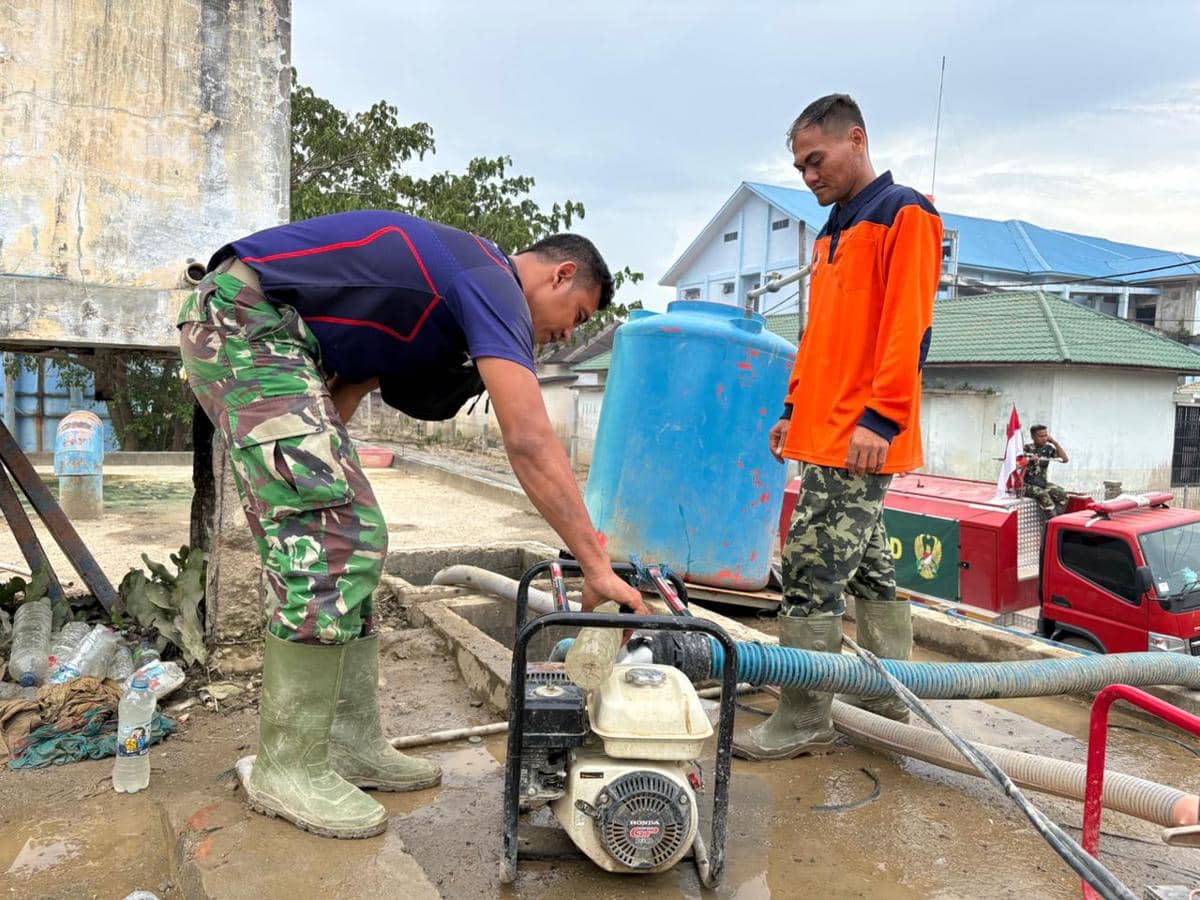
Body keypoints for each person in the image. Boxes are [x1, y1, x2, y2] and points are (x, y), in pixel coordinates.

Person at [177, 210, 648, 839]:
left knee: (351, 537)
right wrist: (594, 562)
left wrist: (319, 493)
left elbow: (353, 381)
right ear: (561, 275)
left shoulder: (447, 302)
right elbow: (530, 440)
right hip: (244, 322)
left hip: (276, 339)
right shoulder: (490, 279)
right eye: (579, 317)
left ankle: (347, 742)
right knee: (335, 537)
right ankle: (287, 765)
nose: (565, 338)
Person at [734, 94, 943, 760]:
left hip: (862, 434)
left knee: (809, 568)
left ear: (857, 139)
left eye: (815, 160)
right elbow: (819, 335)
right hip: (824, 431)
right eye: (799, 167)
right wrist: (793, 409)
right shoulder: (830, 233)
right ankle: (886, 695)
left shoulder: (904, 213)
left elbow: (908, 326)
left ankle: (804, 713)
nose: (808, 176)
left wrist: (881, 418)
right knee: (869, 571)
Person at [1023, 425, 1069, 515]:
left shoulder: (1047, 449)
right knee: (1044, 497)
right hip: (1026, 484)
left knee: (1063, 495)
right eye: (1040, 436)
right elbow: (1017, 463)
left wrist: (1054, 442)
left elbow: (1065, 459)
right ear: (1033, 437)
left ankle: (1056, 517)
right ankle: (1051, 520)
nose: (1044, 438)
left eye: (1045, 435)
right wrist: (1028, 459)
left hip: (1041, 483)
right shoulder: (1026, 448)